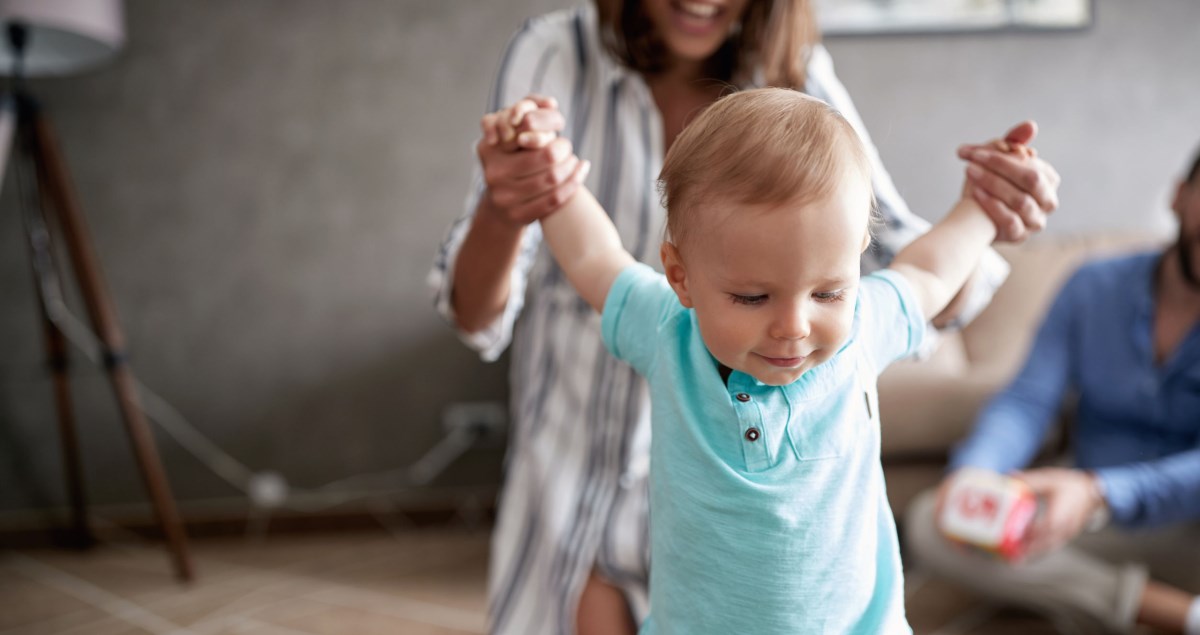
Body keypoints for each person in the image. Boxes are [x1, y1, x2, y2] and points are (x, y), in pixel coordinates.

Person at [429, 1, 1061, 632]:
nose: (794, 326)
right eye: (753, 298)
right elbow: (595, 254)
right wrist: (546, 171)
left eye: (826, 292)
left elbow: (926, 270)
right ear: (679, 276)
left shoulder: (866, 324)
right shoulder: (663, 328)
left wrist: (981, 207)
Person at [905, 146, 1200, 635]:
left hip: (1183, 526)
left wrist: (1100, 492)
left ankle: (1069, 604)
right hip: (1078, 516)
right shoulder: (1093, 286)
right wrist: (975, 473)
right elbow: (1026, 401)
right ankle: (1170, 613)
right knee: (932, 522)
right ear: (1180, 197)